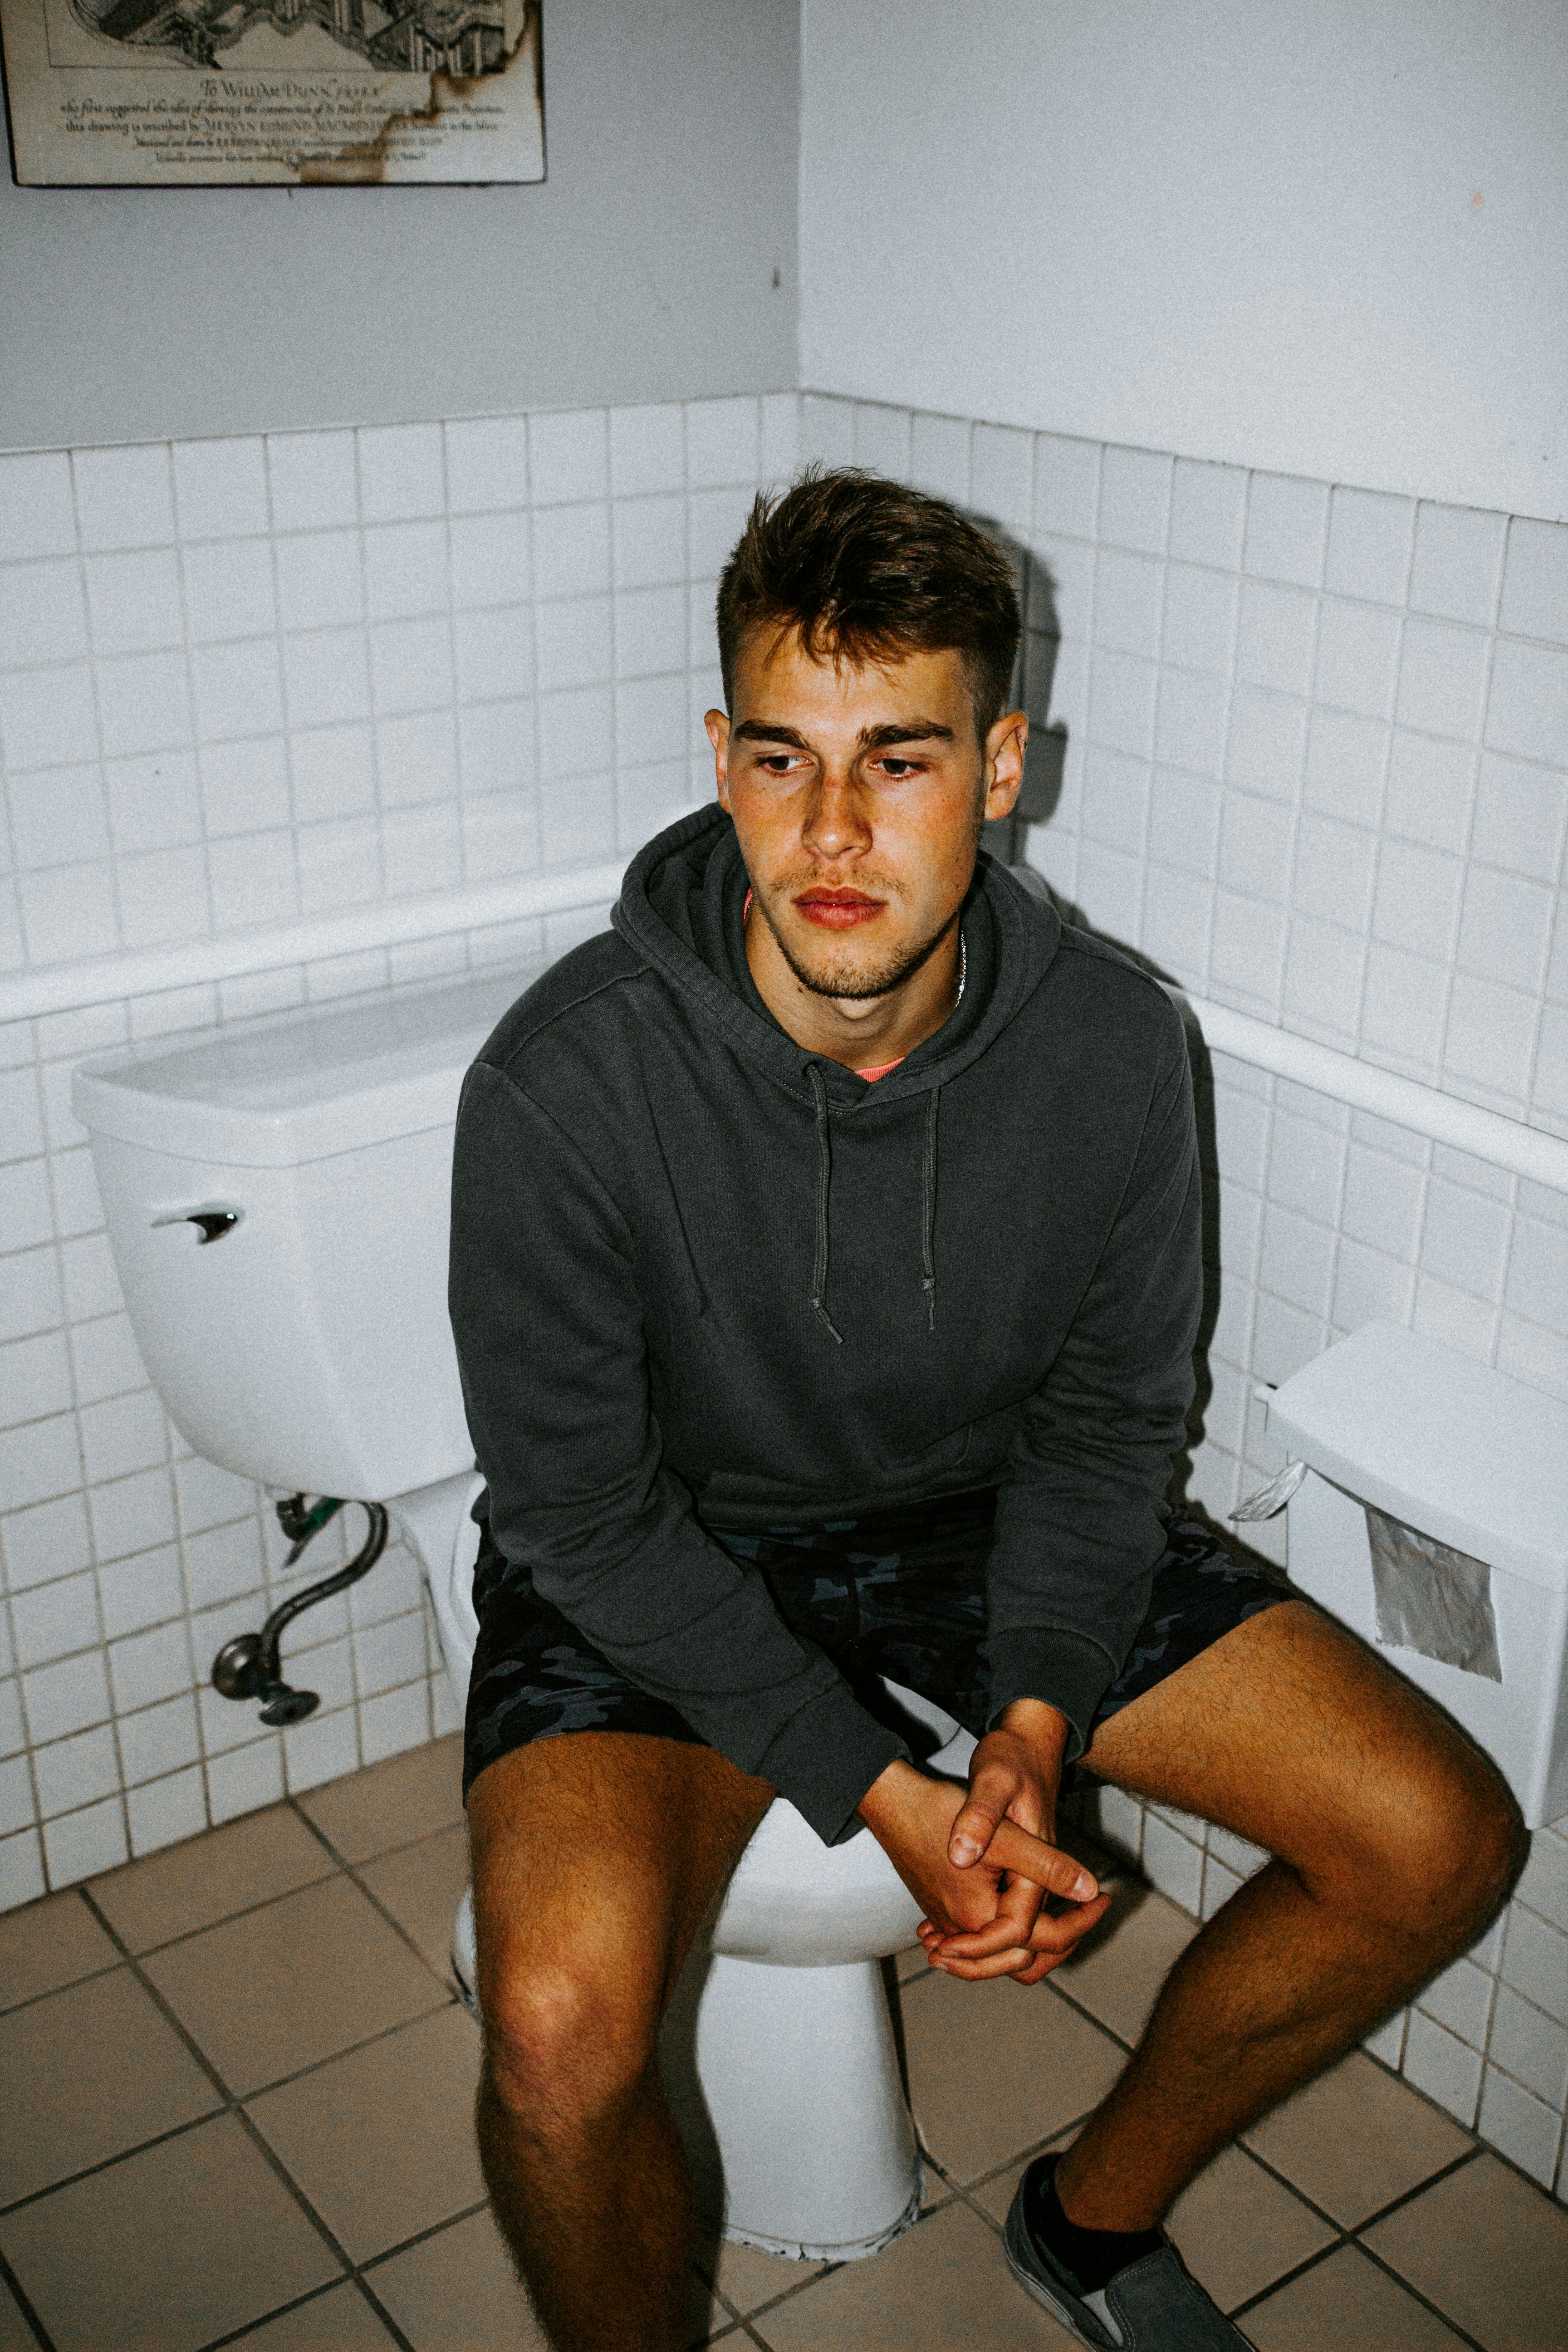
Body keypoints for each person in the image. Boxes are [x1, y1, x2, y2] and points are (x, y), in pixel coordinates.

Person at [447, 470, 1524, 2352]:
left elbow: (1110, 1428)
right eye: (783, 760)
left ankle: (1092, 2223)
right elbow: (580, 1517)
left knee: (1435, 1838)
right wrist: (890, 1799)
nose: (835, 832)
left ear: (1006, 762)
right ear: (718, 757)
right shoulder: (566, 1080)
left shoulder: (1115, 1045)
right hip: (675, 1541)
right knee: (558, 2027)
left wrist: (1030, 1724)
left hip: (971, 1512)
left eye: (905, 761)